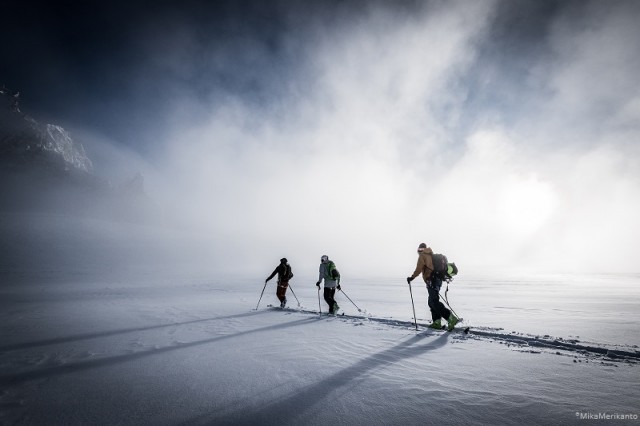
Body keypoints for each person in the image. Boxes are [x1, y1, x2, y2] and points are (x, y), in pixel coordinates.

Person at [407, 243, 459, 331]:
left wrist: (412, 277)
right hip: (437, 280)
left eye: (420, 250)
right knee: (432, 301)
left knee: (433, 302)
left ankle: (450, 318)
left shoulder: (423, 256)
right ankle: (437, 322)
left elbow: (419, 269)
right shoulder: (430, 255)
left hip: (432, 280)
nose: (419, 252)